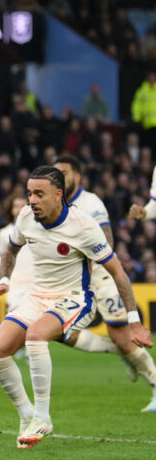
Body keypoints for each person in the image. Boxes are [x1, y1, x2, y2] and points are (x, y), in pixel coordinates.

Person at [0, 166, 152, 450]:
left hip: (76, 298)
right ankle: (27, 415)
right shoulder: (26, 217)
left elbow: (119, 273)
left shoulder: (83, 226)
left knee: (36, 337)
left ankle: (42, 417)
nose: (32, 200)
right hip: (37, 295)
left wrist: (134, 322)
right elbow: (11, 249)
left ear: (58, 195)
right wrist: (4, 280)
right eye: (29, 193)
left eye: (39, 194)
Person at [52, 156, 156, 411]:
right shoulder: (54, 204)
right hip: (72, 281)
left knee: (123, 337)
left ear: (78, 176)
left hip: (101, 277)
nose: (60, 178)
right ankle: (119, 352)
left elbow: (107, 243)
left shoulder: (91, 203)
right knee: (59, 332)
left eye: (64, 172)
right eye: (56, 173)